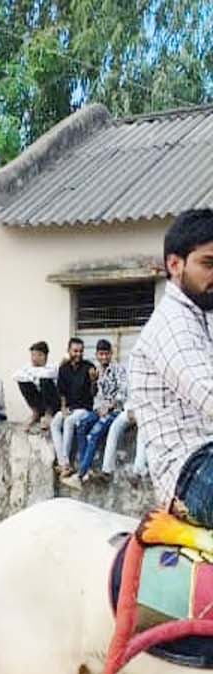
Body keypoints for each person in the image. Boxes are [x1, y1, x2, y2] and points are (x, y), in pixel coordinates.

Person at [128, 208, 213, 522]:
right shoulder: (171, 325)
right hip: (189, 471)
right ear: (174, 264)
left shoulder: (202, 317)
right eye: (208, 264)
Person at [75, 338, 127, 481]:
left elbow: (123, 393)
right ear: (97, 355)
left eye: (107, 354)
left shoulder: (118, 369)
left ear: (111, 354)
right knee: (80, 425)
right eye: (101, 354)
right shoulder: (97, 371)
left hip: (115, 410)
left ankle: (80, 474)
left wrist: (109, 407)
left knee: (93, 434)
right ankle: (87, 467)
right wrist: (93, 381)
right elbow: (94, 395)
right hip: (99, 410)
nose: (104, 357)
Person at [52, 337, 96, 472]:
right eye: (75, 351)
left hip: (84, 409)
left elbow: (94, 394)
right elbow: (61, 391)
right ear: (69, 351)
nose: (78, 354)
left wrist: (94, 381)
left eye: (81, 351)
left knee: (69, 422)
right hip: (69, 407)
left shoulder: (89, 367)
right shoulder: (63, 369)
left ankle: (65, 465)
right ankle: (63, 462)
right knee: (55, 423)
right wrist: (63, 407)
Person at [14, 341, 60, 431]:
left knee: (44, 380)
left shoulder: (53, 367)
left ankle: (48, 413)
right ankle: (36, 412)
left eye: (38, 355)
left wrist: (34, 375)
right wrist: (32, 377)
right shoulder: (28, 368)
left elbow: (47, 374)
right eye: (33, 355)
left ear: (44, 356)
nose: (34, 358)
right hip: (40, 402)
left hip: (54, 404)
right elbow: (16, 376)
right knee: (23, 382)